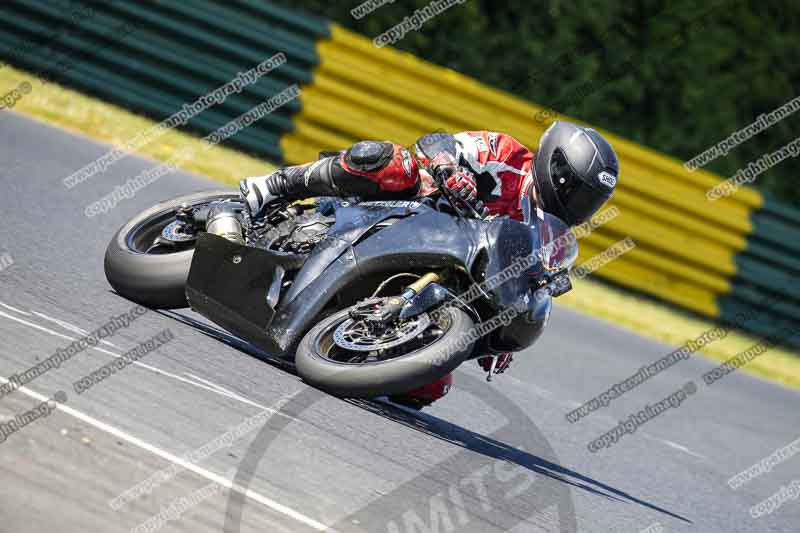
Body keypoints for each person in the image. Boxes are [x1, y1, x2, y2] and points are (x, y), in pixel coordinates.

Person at [239, 121, 619, 407]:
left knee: (427, 387)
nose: (581, 205)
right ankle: (276, 185)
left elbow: (526, 285)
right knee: (392, 162)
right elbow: (434, 142)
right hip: (409, 213)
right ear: (559, 169)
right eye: (579, 190)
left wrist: (506, 323)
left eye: (592, 199)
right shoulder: (505, 155)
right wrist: (447, 169)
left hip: (437, 275)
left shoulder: (549, 233)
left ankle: (345, 336)